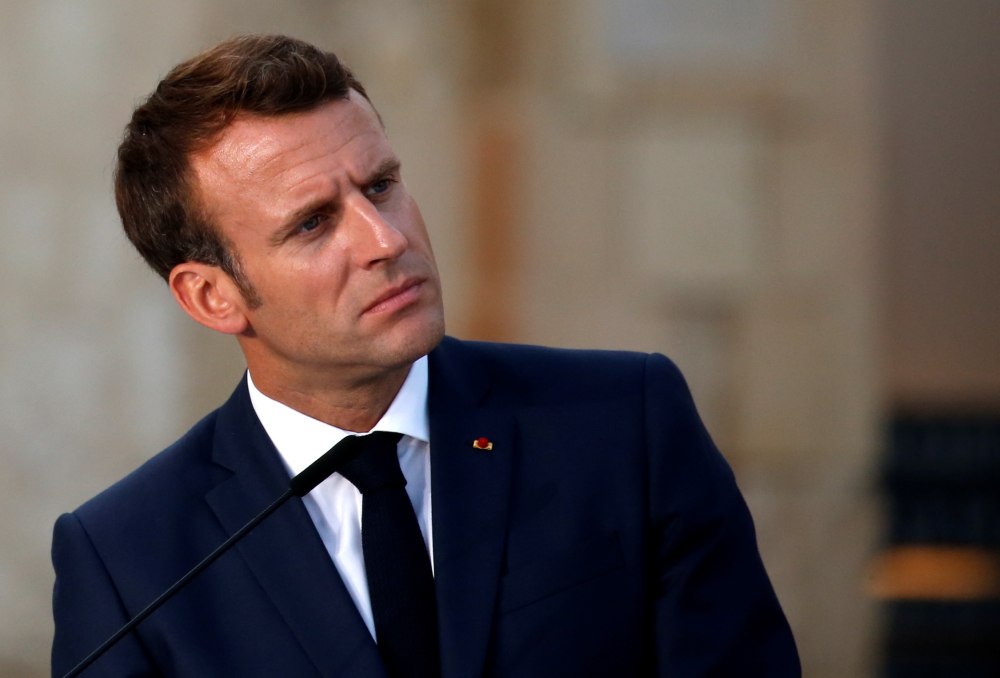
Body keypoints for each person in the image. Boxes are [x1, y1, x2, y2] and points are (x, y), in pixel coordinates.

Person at [51, 34, 800, 677]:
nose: (387, 240)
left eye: (381, 186)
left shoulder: (624, 424)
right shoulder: (129, 559)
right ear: (213, 297)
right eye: (313, 224)